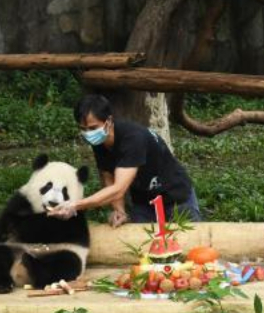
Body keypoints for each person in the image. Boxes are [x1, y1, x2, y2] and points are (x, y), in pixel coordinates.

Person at [48, 94, 201, 227]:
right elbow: (109, 176)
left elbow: (119, 188)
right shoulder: (100, 142)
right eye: (84, 129)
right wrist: (119, 210)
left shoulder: (133, 138)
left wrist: (75, 205)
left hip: (175, 196)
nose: (88, 133)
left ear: (108, 121)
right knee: (143, 251)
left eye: (93, 128)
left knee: (191, 247)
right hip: (144, 202)